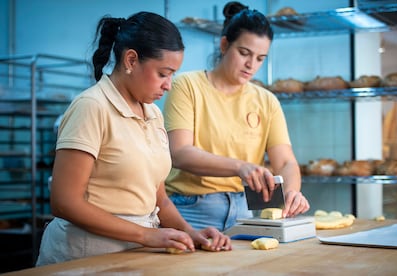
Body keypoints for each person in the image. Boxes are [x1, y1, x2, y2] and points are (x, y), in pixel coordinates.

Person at [36, 11, 231, 266]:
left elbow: (158, 198)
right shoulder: (91, 107)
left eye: (173, 74)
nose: (169, 85)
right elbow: (64, 202)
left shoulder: (153, 114)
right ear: (130, 60)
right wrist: (147, 235)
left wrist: (190, 232)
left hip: (134, 255)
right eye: (163, 73)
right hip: (83, 256)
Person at [163, 2, 310, 232]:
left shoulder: (266, 101)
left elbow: (285, 162)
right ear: (224, 45)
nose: (251, 65)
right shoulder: (187, 86)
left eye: (260, 58)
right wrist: (240, 167)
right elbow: (180, 152)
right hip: (191, 211)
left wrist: (292, 191)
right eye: (244, 53)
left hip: (247, 212)